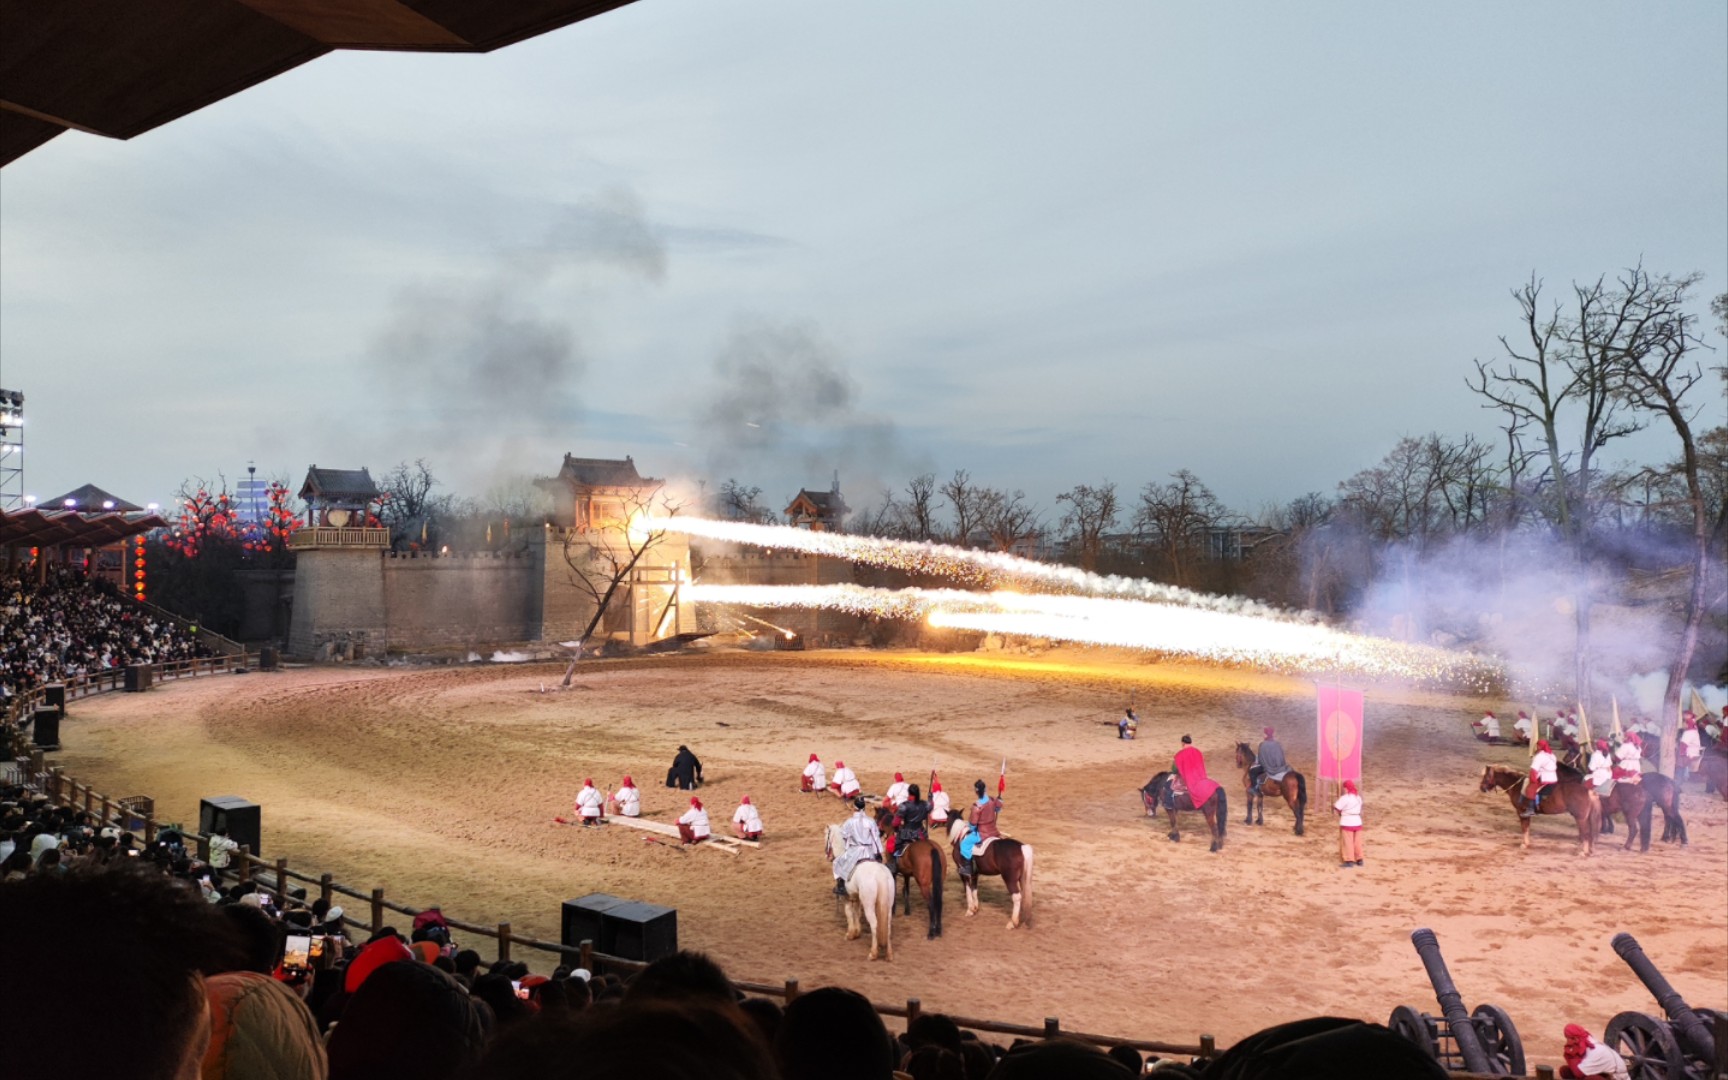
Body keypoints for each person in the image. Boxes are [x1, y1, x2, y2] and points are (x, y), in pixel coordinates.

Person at [833, 795, 883, 896]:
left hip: (855, 852)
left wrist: (848, 844)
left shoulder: (849, 822)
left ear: (855, 808)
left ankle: (841, 886)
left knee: (837, 862)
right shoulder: (871, 821)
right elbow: (876, 838)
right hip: (869, 852)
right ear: (864, 807)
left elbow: (844, 837)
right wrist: (878, 852)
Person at [958, 779, 1002, 878]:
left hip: (982, 834)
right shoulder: (992, 800)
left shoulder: (977, 806)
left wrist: (970, 828)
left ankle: (968, 868)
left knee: (964, 844)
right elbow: (998, 808)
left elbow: (973, 824)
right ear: (985, 789)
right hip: (994, 831)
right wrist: (999, 800)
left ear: (976, 791)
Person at [1560, 1023, 1631, 1079]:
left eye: (1568, 1038)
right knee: (1565, 1071)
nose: (1567, 1041)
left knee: (1590, 1079)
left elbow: (1579, 1074)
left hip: (1615, 1077)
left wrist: (1571, 1055)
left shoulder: (1595, 1051)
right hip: (1602, 1073)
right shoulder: (1585, 1041)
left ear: (1575, 1039)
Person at [1171, 734, 1221, 810]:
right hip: (1200, 777)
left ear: (1183, 743)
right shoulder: (1198, 752)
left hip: (1188, 779)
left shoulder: (1180, 754)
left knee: (1169, 786)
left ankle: (1169, 804)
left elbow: (1174, 769)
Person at [889, 784, 929, 863]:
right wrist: (930, 798)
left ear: (909, 793)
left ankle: (894, 863)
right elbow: (930, 806)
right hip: (921, 833)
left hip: (907, 834)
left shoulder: (904, 806)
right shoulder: (925, 804)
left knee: (896, 846)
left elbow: (895, 823)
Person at [1524, 739, 1559, 817]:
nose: (1537, 747)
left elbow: (1533, 770)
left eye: (1538, 745)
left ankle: (1530, 810)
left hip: (1545, 778)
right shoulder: (1552, 755)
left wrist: (1533, 780)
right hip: (1554, 778)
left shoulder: (1540, 756)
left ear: (1540, 746)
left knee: (1530, 789)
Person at [1334, 779, 1364, 867]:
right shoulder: (1358, 798)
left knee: (1348, 842)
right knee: (1357, 842)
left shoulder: (1345, 798)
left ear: (1346, 788)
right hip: (1357, 821)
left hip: (1347, 822)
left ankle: (1349, 860)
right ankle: (1359, 859)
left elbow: (1337, 808)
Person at [1679, 713, 1702, 786]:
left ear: (1686, 724)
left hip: (1690, 753)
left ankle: (1680, 778)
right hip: (1694, 751)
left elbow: (1683, 745)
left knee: (1678, 761)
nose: (1682, 725)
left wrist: (1681, 754)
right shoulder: (1694, 730)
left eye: (1683, 723)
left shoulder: (1688, 732)